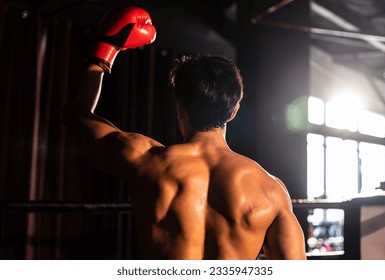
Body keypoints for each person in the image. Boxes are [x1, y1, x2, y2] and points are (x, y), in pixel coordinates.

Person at [63, 5, 306, 260]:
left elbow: (76, 117)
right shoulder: (270, 190)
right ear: (233, 111)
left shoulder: (146, 161)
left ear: (180, 107)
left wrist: (104, 52)